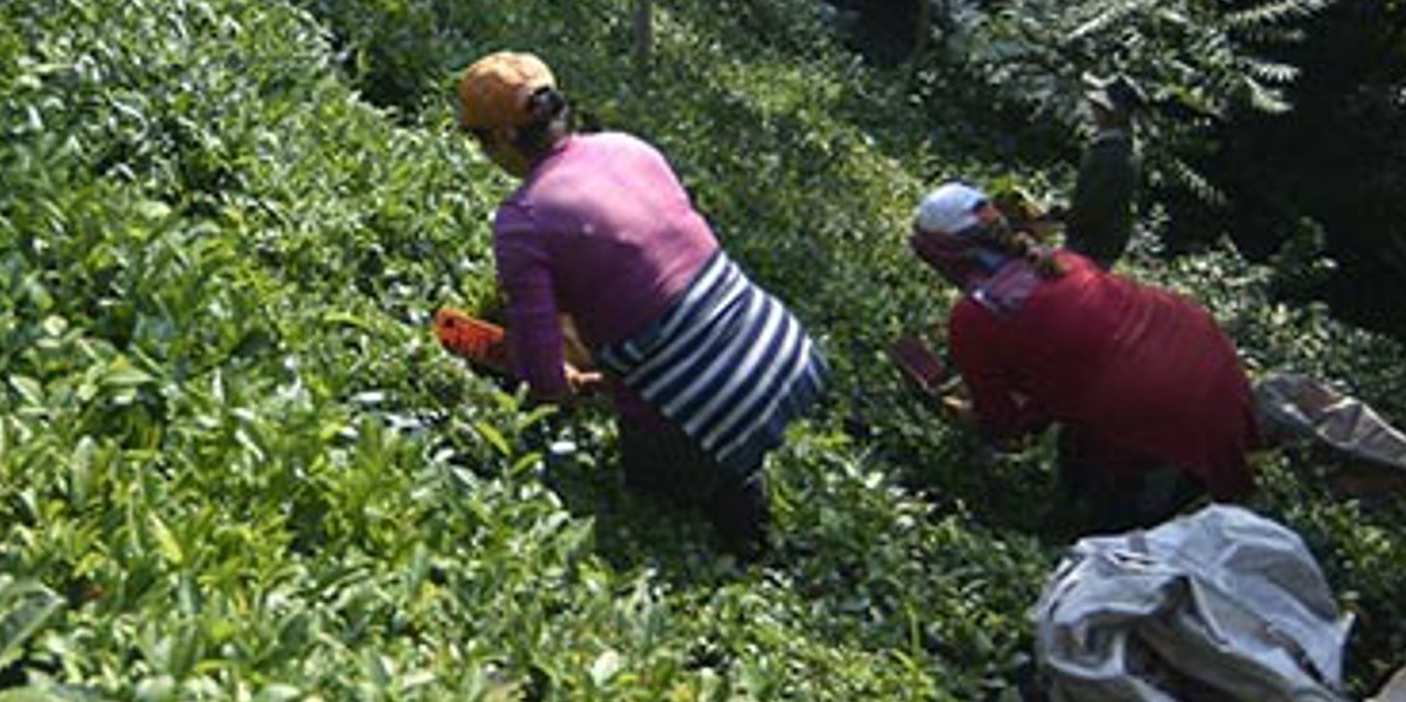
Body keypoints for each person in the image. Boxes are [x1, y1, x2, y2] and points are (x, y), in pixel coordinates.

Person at [456, 51, 828, 559]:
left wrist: (554, 382)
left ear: (497, 139)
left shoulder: (523, 220)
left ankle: (737, 521)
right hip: (787, 353)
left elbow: (545, 382)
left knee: (650, 477)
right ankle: (740, 471)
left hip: (715, 401)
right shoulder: (628, 147)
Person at [909, 82, 1259, 534]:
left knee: (1115, 534)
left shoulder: (976, 319)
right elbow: (1068, 371)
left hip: (1170, 408)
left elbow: (1002, 427)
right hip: (1207, 359)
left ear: (944, 256)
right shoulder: (1064, 264)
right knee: (1086, 451)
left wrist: (959, 410)